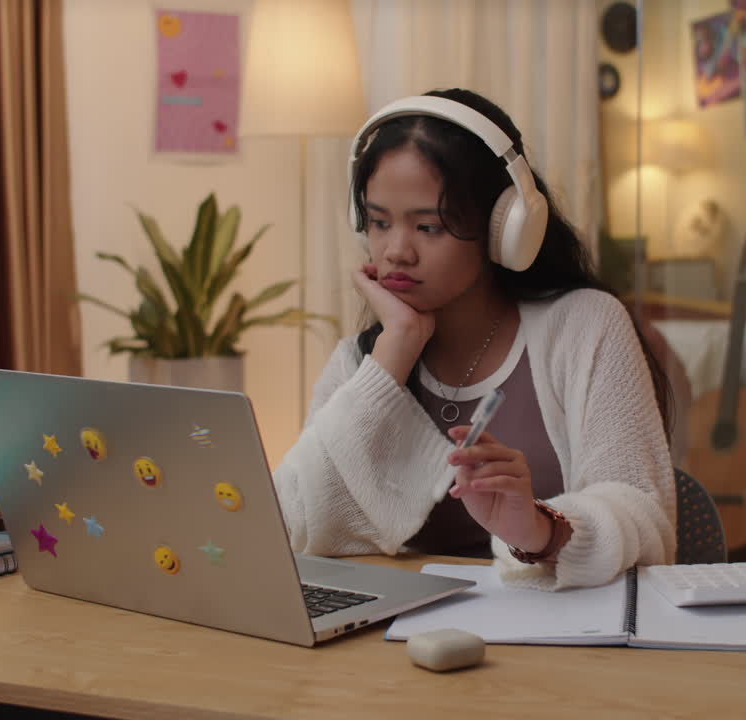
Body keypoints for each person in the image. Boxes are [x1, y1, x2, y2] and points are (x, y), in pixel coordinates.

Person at [272, 88, 676, 590]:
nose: (396, 251)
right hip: (398, 641)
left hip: (558, 640)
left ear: (505, 227)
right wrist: (394, 352)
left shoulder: (584, 324)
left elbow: (647, 517)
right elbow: (293, 524)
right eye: (378, 222)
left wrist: (538, 529)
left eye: (429, 226)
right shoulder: (361, 361)